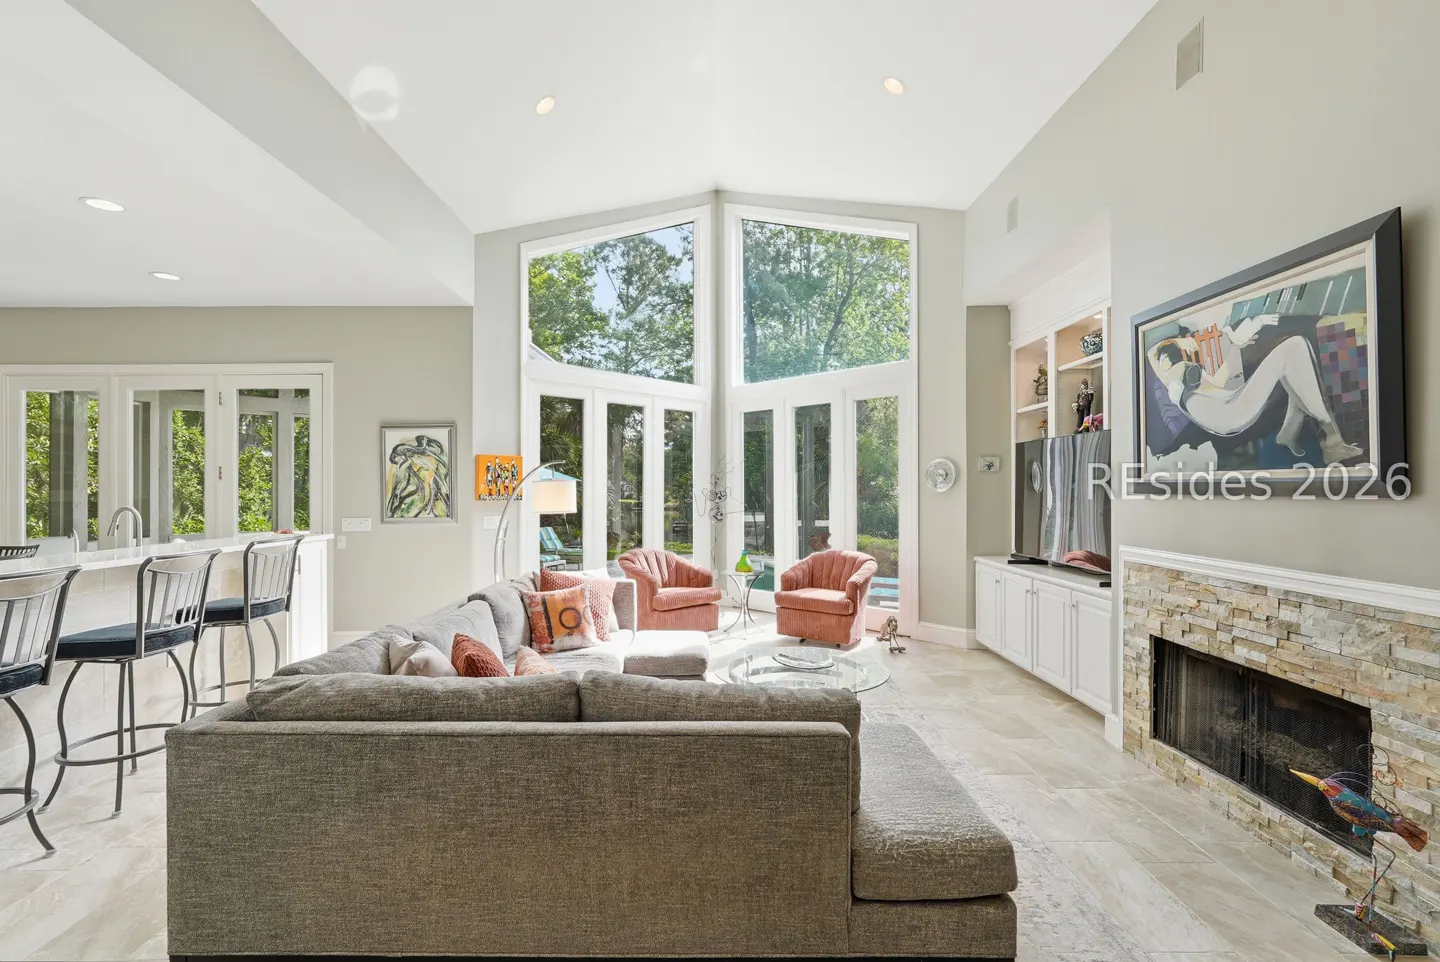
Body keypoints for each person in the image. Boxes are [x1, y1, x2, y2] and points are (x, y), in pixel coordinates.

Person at [1146, 313, 1362, 465]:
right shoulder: (1172, 367)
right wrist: (1178, 361)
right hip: (1231, 413)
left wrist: (1235, 337)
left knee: (1294, 363)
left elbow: (1211, 379)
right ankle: (1331, 440)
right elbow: (1165, 362)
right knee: (1294, 347)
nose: (1189, 340)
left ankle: (1290, 430)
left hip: (1229, 404)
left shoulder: (1177, 365)